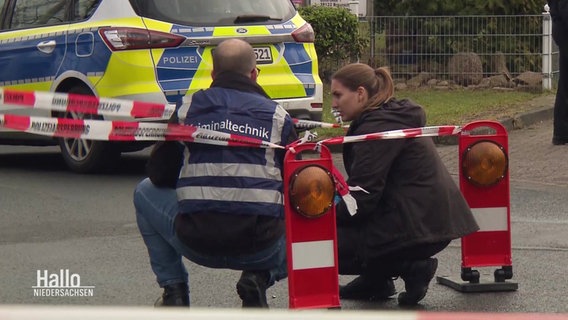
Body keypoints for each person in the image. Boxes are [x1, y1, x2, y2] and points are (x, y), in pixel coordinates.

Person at [133, 38, 296, 308]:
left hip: (197, 243)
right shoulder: (278, 117)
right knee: (317, 210)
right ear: (255, 74)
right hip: (262, 248)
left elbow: (160, 174)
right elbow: (295, 183)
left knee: (143, 191)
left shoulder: (186, 111)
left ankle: (174, 292)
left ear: (212, 74)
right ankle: (260, 277)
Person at [330, 63, 479, 306]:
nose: (334, 104)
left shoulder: (376, 130)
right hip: (432, 220)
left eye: (338, 95)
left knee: (324, 241)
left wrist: (323, 216)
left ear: (360, 93)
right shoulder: (389, 117)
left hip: (418, 227)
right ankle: (376, 279)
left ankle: (410, 267)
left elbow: (362, 199)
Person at [547, 0, 568, 145]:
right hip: (564, 28)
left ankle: (561, 133)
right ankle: (561, 133)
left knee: (565, 82)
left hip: (561, 27)